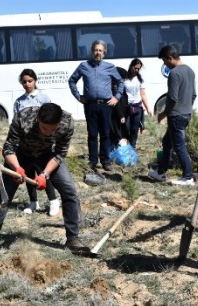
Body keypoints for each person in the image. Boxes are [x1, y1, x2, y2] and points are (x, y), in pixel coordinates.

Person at [0, 103, 88, 258]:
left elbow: (60, 153)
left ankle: (73, 239)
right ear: (37, 119)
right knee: (4, 196)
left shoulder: (67, 122)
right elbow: (8, 148)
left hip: (48, 155)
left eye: (52, 129)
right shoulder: (23, 117)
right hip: (20, 154)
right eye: (44, 128)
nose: (48, 133)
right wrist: (17, 168)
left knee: (69, 190)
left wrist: (44, 175)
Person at [68, 39, 124, 171]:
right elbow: (72, 81)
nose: (97, 52)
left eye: (100, 50)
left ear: (104, 52)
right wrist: (78, 96)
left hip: (105, 105)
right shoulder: (84, 66)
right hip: (90, 105)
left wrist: (117, 97)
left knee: (105, 134)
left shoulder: (110, 67)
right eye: (95, 50)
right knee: (92, 134)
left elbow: (120, 82)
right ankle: (93, 161)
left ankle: (105, 160)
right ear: (92, 52)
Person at [13, 69, 60, 216]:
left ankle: (53, 200)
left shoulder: (43, 98)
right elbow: (16, 122)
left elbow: (51, 118)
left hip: (42, 145)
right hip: (25, 145)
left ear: (35, 80)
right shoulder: (19, 101)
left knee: (42, 172)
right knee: (28, 173)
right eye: (24, 82)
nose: (27, 84)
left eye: (30, 81)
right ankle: (34, 202)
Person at [148, 45, 196, 186]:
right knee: (167, 142)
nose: (165, 64)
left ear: (170, 58)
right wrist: (187, 108)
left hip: (176, 116)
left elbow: (172, 98)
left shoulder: (174, 73)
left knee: (179, 146)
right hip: (186, 114)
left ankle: (188, 176)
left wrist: (163, 113)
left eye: (164, 61)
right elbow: (193, 94)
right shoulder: (190, 71)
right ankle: (161, 172)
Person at [123, 58, 153, 148]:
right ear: (131, 66)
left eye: (138, 69)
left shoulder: (140, 79)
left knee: (134, 130)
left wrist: (148, 108)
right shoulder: (124, 78)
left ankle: (132, 148)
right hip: (127, 107)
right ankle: (125, 147)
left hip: (137, 107)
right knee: (126, 128)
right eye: (135, 68)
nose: (136, 70)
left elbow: (143, 94)